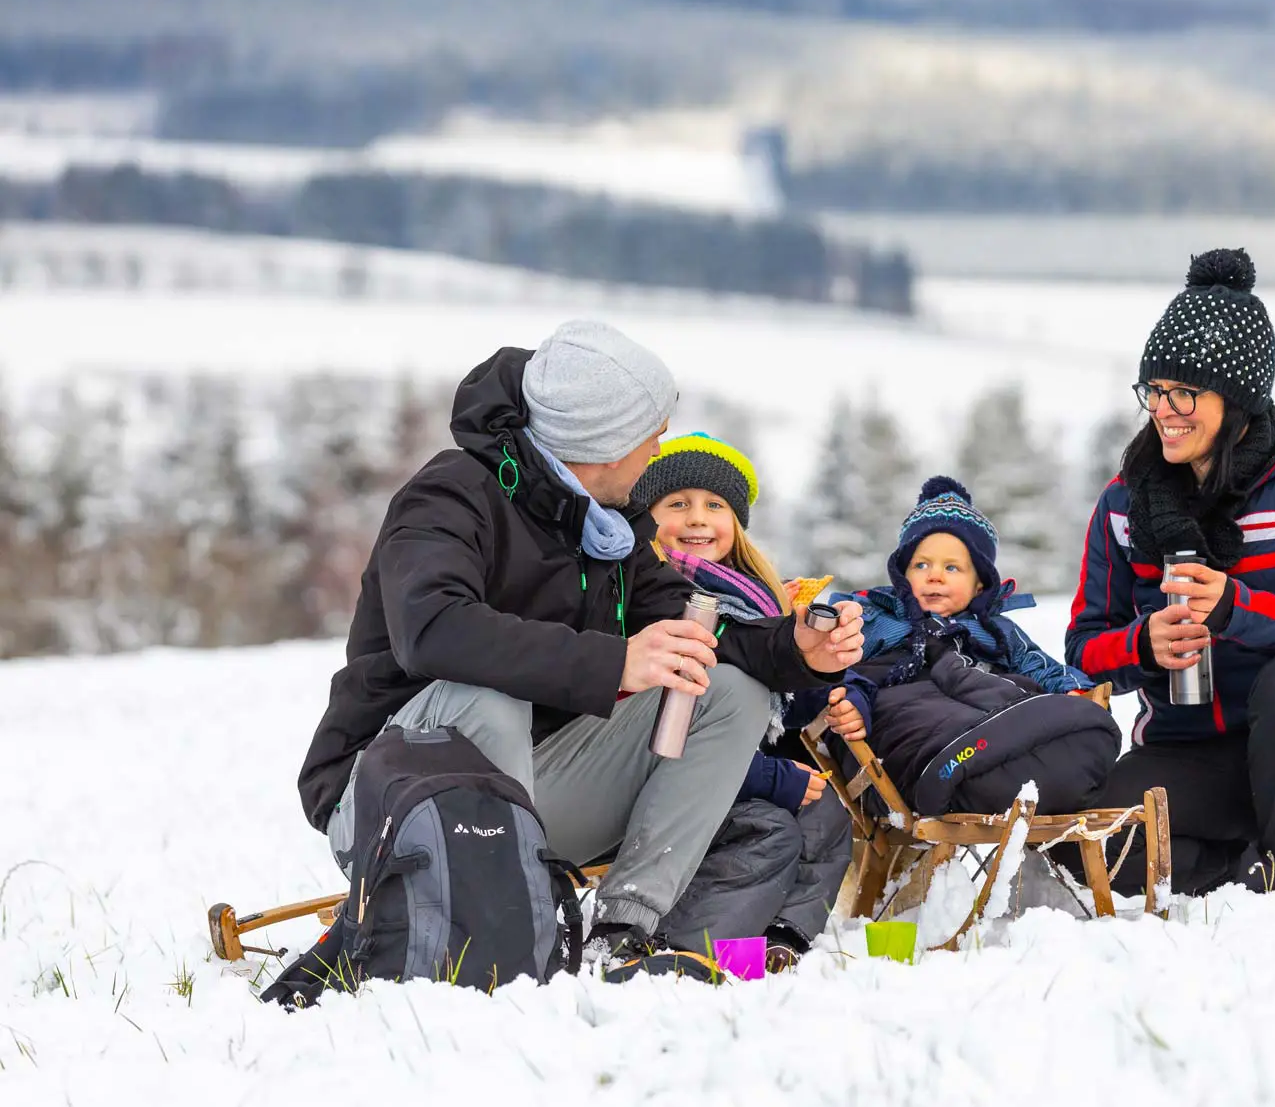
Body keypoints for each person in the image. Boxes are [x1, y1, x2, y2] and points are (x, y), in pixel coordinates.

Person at [293, 321, 864, 978]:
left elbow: (698, 627)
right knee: (490, 697)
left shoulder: (609, 525)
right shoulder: (450, 495)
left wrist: (797, 646)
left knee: (724, 685)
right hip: (392, 794)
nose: (657, 451)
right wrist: (614, 662)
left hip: (537, 787)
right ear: (605, 442)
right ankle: (510, 933)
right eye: (651, 435)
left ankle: (624, 929)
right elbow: (433, 629)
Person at [1066, 249, 1275, 902]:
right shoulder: (1123, 506)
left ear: (1236, 398)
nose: (1164, 409)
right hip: (1191, 756)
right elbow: (1083, 652)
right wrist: (1143, 644)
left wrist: (1239, 610)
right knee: (1090, 843)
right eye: (1154, 390)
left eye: (1185, 392)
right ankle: (1241, 867)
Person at [624, 432, 862, 969]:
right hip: (667, 773)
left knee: (827, 815)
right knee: (770, 831)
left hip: (735, 763)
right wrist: (772, 778)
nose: (697, 518)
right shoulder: (649, 594)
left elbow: (785, 709)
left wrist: (819, 667)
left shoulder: (754, 597)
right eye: (676, 503)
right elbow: (667, 723)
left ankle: (780, 937)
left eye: (715, 505)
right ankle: (685, 949)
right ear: (646, 515)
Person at [818, 476, 1116, 820]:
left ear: (979, 585)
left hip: (996, 723)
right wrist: (851, 703)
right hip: (917, 727)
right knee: (924, 710)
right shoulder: (877, 619)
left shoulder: (995, 630)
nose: (934, 576)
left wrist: (1072, 689)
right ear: (902, 574)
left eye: (952, 567)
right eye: (921, 565)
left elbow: (1038, 666)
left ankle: (1018, 752)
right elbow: (841, 670)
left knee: (1054, 715)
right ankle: (959, 762)